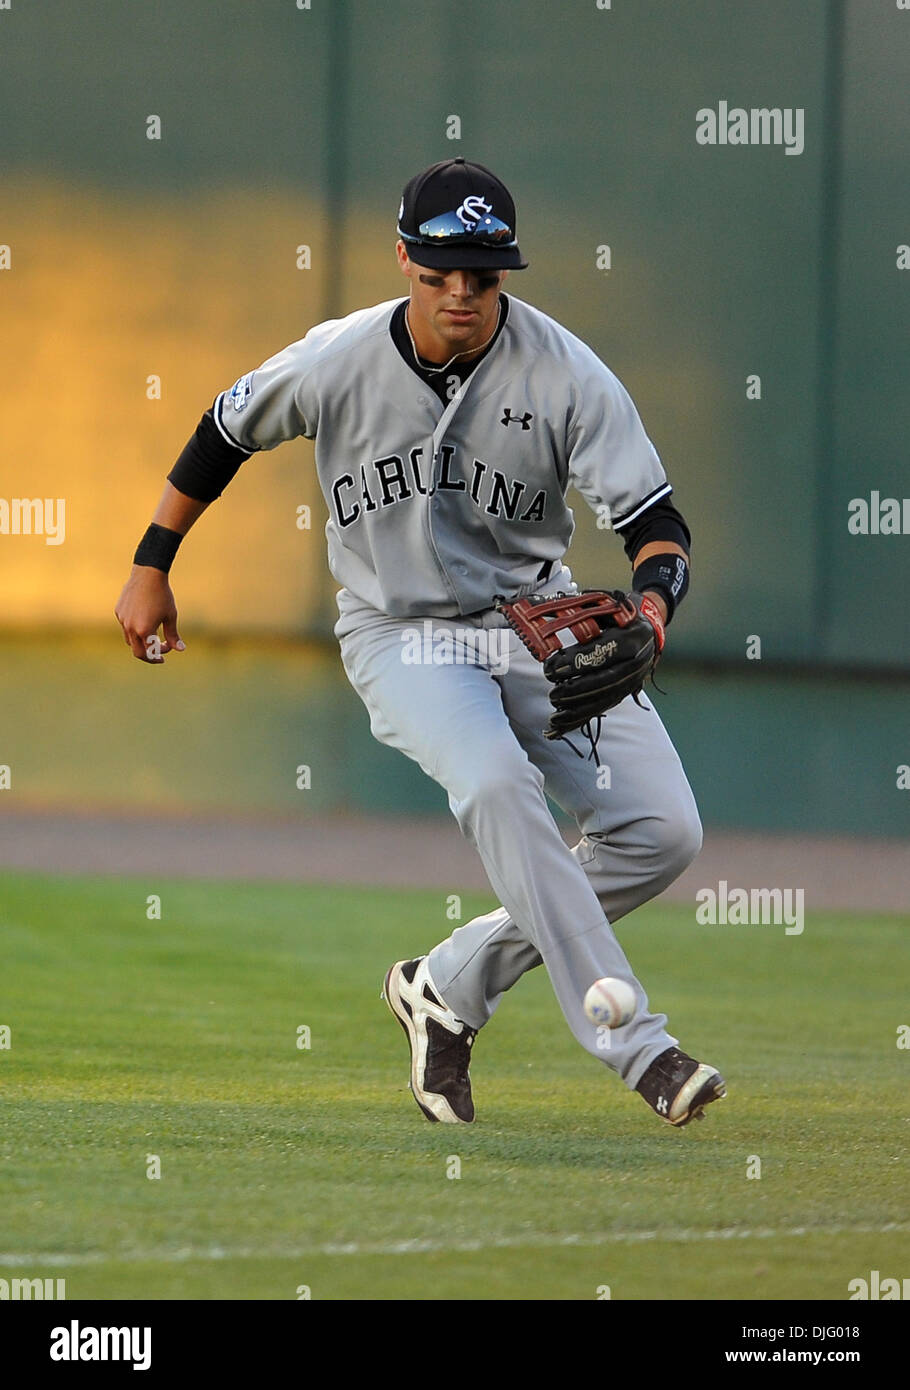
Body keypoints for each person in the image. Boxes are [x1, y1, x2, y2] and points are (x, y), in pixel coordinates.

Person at [115, 157, 725, 1130]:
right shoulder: (337, 359)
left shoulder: (566, 374)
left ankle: (446, 983)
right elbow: (221, 432)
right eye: (438, 271)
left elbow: (655, 520)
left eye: (479, 276)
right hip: (399, 633)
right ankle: (638, 1046)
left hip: (533, 623)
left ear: (503, 275)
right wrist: (153, 563)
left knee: (663, 833)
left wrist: (652, 611)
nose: (458, 294)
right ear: (402, 259)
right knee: (492, 781)